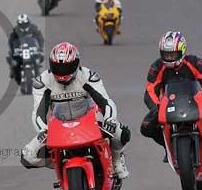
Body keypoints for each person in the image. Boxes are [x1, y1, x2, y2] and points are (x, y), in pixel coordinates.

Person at [21, 41, 130, 180]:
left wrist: (110, 119)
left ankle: (116, 159)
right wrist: (43, 130)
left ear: (76, 64)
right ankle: (60, 162)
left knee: (121, 133)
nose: (62, 72)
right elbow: (38, 112)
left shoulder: (88, 76)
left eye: (66, 67)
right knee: (27, 156)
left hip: (90, 119)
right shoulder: (42, 82)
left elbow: (106, 101)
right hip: (59, 124)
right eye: (58, 67)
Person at [140, 31, 202, 161]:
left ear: (182, 51)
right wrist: (156, 108)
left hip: (195, 102)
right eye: (166, 54)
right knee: (146, 127)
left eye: (172, 54)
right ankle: (168, 146)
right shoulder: (157, 67)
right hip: (170, 105)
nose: (169, 58)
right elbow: (150, 90)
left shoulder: (194, 61)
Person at [7, 14, 45, 83]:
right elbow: (11, 41)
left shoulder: (34, 29)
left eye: (25, 24)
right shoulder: (15, 31)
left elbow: (40, 39)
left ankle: (37, 72)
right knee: (12, 59)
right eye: (21, 24)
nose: (23, 26)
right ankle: (13, 71)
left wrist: (40, 48)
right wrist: (13, 51)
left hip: (32, 49)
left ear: (28, 22)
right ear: (18, 24)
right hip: (20, 50)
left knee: (40, 57)